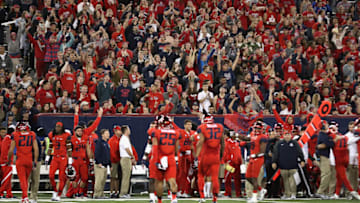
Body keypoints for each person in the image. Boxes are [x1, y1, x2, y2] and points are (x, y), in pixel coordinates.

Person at [195, 112, 224, 203]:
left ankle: (202, 196)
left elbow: (200, 142)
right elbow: (222, 143)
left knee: (201, 175)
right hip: (215, 156)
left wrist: (196, 157)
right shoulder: (219, 126)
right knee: (215, 177)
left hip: (205, 155)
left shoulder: (202, 127)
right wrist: (221, 155)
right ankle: (214, 198)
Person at [151, 115, 180, 203]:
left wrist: (156, 161)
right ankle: (174, 198)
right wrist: (176, 158)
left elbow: (155, 148)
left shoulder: (157, 132)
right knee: (172, 180)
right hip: (171, 157)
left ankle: (159, 200)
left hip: (160, 157)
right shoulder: (176, 133)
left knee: (159, 181)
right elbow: (176, 148)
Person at [328, 121, 360, 200]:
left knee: (343, 176)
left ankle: (353, 192)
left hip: (343, 159)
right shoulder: (343, 136)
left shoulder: (341, 136)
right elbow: (348, 140)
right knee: (340, 177)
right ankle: (338, 193)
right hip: (343, 158)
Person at [8, 122, 39, 203]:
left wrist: (8, 160)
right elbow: (36, 149)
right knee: (25, 179)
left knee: (23, 180)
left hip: (20, 159)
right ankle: (23, 197)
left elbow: (11, 150)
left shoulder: (15, 134)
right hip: (29, 159)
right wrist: (35, 160)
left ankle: (25, 197)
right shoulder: (32, 134)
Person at [239, 121, 268, 203]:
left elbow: (262, 151)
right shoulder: (252, 134)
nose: (257, 129)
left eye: (258, 128)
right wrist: (238, 136)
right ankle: (261, 189)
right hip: (252, 158)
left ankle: (254, 197)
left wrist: (254, 155)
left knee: (254, 178)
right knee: (248, 177)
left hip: (258, 158)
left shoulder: (263, 137)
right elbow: (248, 139)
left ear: (261, 129)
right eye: (255, 128)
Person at [272, 130, 305, 200]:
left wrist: (302, 160)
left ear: (291, 135)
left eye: (288, 134)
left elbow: (300, 152)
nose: (287, 136)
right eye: (286, 135)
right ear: (283, 136)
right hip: (283, 165)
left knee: (293, 180)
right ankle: (287, 194)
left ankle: (293, 194)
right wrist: (274, 162)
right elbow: (275, 153)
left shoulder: (295, 143)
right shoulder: (279, 143)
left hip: (293, 165)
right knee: (285, 181)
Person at [45, 122, 71, 201]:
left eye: (59, 127)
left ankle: (59, 194)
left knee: (61, 177)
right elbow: (50, 147)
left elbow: (69, 149)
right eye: (56, 126)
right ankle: (55, 191)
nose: (57, 128)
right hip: (55, 158)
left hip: (63, 158)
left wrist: (70, 162)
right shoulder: (52, 135)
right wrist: (47, 158)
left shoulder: (66, 136)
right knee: (51, 175)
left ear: (62, 128)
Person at [174, 120, 195, 197]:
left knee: (186, 174)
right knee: (181, 174)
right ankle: (178, 190)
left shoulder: (192, 133)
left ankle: (183, 190)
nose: (190, 126)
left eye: (191, 125)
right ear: (185, 125)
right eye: (188, 124)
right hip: (183, 155)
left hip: (189, 155)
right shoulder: (181, 132)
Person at [316, 121, 334, 199]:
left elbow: (328, 144)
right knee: (326, 174)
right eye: (326, 124)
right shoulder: (322, 135)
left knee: (327, 174)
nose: (327, 125)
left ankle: (323, 192)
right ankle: (320, 192)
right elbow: (329, 144)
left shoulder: (324, 135)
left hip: (325, 156)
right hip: (323, 156)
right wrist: (329, 142)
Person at [223, 130, 243, 198]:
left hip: (236, 163)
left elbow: (238, 152)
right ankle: (228, 193)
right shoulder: (227, 142)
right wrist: (226, 161)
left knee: (237, 179)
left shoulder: (236, 143)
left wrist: (240, 160)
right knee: (228, 178)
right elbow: (225, 152)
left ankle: (238, 193)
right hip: (230, 163)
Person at [119, 125, 136, 198]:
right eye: (128, 129)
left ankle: (125, 192)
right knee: (126, 176)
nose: (129, 130)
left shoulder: (125, 138)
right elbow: (127, 149)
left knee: (127, 176)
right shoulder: (124, 139)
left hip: (127, 158)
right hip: (125, 159)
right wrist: (132, 156)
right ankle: (123, 193)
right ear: (126, 130)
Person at [94, 129, 111, 198]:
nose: (108, 135)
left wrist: (110, 164)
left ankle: (101, 193)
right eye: (106, 133)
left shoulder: (106, 143)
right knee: (99, 179)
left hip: (105, 164)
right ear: (102, 134)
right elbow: (97, 152)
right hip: (100, 165)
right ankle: (97, 194)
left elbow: (108, 155)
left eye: (108, 133)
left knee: (103, 180)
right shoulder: (99, 142)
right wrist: (98, 162)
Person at [344, 120, 359, 194]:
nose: (351, 128)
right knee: (349, 175)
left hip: (356, 158)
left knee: (355, 176)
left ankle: (355, 190)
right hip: (349, 157)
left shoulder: (356, 134)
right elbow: (348, 141)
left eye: (352, 127)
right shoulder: (347, 135)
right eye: (350, 127)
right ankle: (348, 191)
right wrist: (358, 138)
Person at [28, 130, 43, 203]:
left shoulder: (35, 139)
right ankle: (25, 195)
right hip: (27, 160)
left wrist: (37, 160)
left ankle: (34, 196)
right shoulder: (24, 138)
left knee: (35, 179)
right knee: (27, 179)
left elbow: (39, 150)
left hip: (35, 160)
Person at [0, 126, 14, 198]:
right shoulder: (7, 139)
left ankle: (9, 194)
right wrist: (7, 160)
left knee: (7, 179)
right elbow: (4, 151)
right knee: (6, 179)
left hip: (5, 161)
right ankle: (1, 192)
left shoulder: (7, 139)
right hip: (6, 162)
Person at [108, 125, 122, 198]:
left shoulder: (121, 139)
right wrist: (115, 160)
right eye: (119, 130)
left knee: (118, 177)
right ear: (116, 131)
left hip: (120, 161)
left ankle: (117, 191)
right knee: (113, 177)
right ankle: (112, 192)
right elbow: (112, 152)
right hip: (114, 161)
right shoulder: (112, 140)